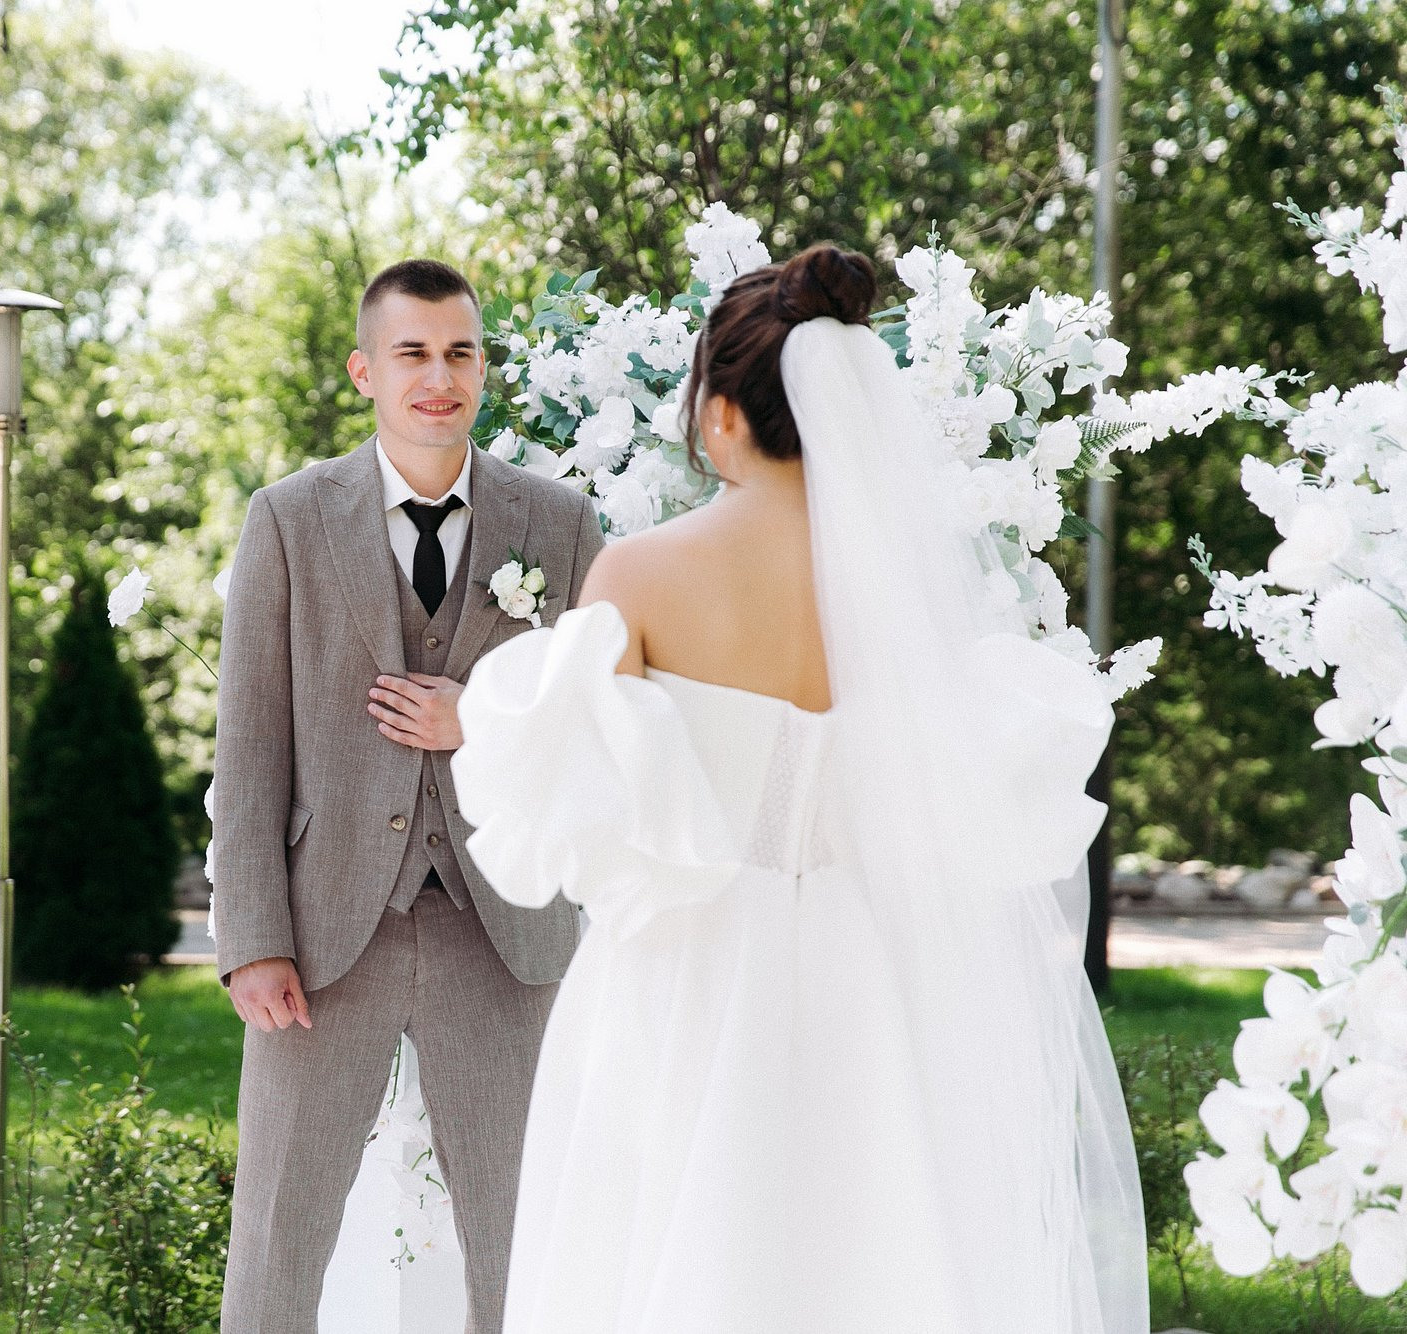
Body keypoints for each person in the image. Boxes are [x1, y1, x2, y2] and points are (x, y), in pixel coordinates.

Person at [452, 244, 1149, 1332]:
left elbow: (585, 805)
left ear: (720, 413)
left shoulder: (640, 573)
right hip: (872, 970)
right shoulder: (907, 600)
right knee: (875, 1256)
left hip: (682, 972)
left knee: (665, 1254)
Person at [212, 258, 606, 1333]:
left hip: (508, 931)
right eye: (413, 353)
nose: (440, 376)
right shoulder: (287, 520)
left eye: (460, 351)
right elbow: (247, 747)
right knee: (276, 1238)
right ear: (364, 370)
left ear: (482, 366)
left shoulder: (560, 525)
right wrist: (250, 934)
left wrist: (476, 717)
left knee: (529, 1242)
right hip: (323, 933)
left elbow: (602, 727)